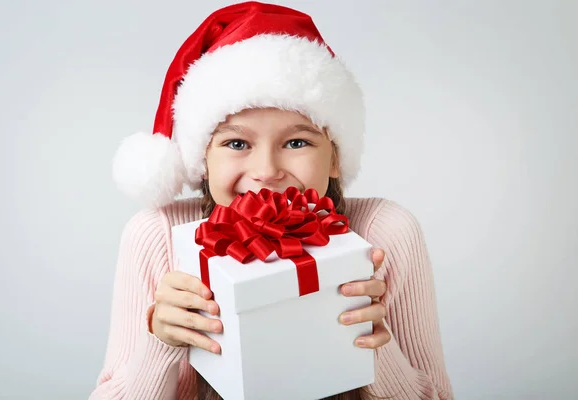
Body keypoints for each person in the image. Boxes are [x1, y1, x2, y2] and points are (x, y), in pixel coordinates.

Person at [90, 2, 453, 399]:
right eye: (237, 143)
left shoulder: (386, 232)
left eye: (297, 142)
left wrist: (375, 351)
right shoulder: (157, 236)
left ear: (335, 157)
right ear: (202, 161)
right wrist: (161, 340)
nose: (266, 171)